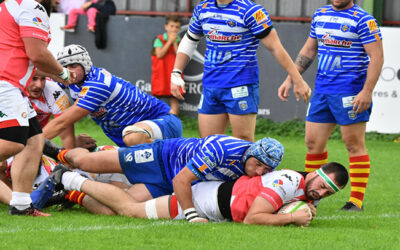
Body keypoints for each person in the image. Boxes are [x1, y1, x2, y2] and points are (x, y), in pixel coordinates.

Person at [278, 0, 383, 211]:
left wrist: (367, 91)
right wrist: (291, 78)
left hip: (350, 91)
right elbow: (309, 50)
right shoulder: (320, 14)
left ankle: (356, 201)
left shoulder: (363, 19)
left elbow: (377, 57)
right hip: (322, 91)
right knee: (312, 143)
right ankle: (310, 196)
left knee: (353, 144)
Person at [170, 0, 311, 142]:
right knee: (208, 143)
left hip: (241, 85)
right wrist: (176, 72)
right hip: (210, 86)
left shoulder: (252, 11)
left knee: (243, 143)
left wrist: (297, 79)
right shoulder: (203, 8)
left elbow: (275, 47)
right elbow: (190, 39)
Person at [45, 135, 284, 218]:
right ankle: (55, 152)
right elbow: (182, 180)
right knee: (85, 160)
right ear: (251, 153)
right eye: (258, 164)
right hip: (160, 158)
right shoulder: (222, 149)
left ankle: (69, 191)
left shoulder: (259, 168)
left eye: (266, 169)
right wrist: (191, 215)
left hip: (167, 184)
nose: (260, 171)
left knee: (114, 208)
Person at [45, 161, 348, 226]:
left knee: (116, 209)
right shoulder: (287, 180)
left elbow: (306, 202)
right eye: (321, 184)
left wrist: (306, 208)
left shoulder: (310, 193)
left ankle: (73, 193)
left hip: (216, 204)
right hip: (205, 200)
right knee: (130, 210)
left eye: (327, 192)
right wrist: (292, 219)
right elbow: (253, 218)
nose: (320, 192)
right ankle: (69, 177)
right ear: (316, 172)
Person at [0, 0, 75, 216]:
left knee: (34, 138)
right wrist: (64, 74)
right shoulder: (32, 7)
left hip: (11, 83)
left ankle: (22, 205)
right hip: (7, 82)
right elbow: (37, 54)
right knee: (14, 142)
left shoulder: (8, 5)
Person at [43, 44, 183, 147]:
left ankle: (173, 154)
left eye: (73, 66)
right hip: (131, 140)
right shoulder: (74, 80)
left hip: (164, 122)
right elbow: (39, 74)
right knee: (84, 160)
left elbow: (61, 122)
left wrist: (31, 145)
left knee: (132, 136)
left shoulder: (97, 85)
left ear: (85, 65)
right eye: (64, 68)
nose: (69, 71)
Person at [26, 74, 75, 148]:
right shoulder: (7, 89)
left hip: (38, 135)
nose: (39, 85)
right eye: (34, 79)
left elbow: (67, 137)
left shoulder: (54, 91)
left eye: (43, 79)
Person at [151, 15, 183, 115]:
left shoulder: (181, 41)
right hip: (161, 73)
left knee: (174, 98)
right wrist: (169, 41)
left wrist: (174, 42)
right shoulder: (159, 39)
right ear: (166, 27)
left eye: (177, 27)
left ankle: (174, 122)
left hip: (174, 73)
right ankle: (152, 119)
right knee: (156, 98)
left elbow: (180, 56)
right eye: (172, 26)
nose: (174, 29)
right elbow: (160, 54)